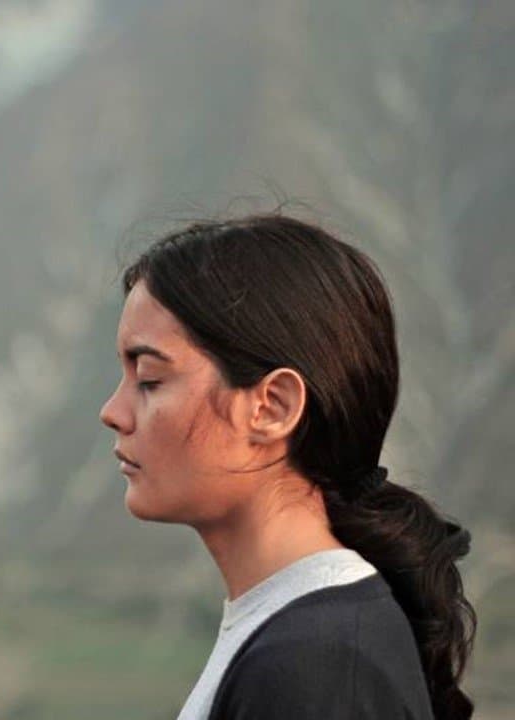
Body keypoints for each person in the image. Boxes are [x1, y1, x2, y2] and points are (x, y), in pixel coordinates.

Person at [98, 214, 476, 719]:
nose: (113, 412)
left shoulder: (316, 667)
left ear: (272, 407)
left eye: (149, 379)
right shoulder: (303, 636)